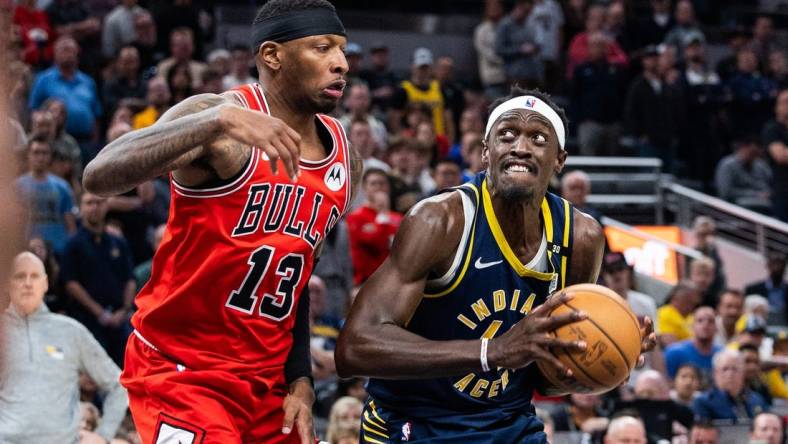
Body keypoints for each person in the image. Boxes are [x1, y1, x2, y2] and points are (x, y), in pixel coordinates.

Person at [82, 1, 359, 442]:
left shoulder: (345, 156)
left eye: (342, 51)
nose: (341, 63)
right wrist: (217, 120)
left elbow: (296, 277)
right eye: (322, 48)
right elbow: (99, 175)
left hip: (266, 381)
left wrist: (301, 381)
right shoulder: (218, 115)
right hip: (184, 371)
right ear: (273, 56)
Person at [336, 88, 656, 442]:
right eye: (507, 135)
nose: (520, 147)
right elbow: (355, 347)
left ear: (560, 159)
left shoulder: (580, 237)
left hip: (508, 424)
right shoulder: (440, 221)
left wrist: (604, 355)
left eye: (537, 138)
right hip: (414, 422)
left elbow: (544, 380)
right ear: (486, 151)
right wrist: (493, 351)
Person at [0, 252, 128, 443]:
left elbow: (118, 385)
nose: (27, 283)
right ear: (8, 284)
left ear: (45, 284)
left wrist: (103, 436)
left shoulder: (71, 332)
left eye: (34, 276)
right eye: (20, 276)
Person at [62, 192, 137, 366]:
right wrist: (99, 312)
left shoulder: (118, 242)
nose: (94, 207)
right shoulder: (73, 244)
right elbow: (71, 283)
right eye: (89, 203)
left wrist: (124, 309)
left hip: (119, 319)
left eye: (99, 202)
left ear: (107, 206)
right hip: (88, 320)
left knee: (129, 364)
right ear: (80, 208)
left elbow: (130, 278)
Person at [28, 36, 102, 146]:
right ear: (55, 53)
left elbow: (96, 115)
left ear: (77, 53)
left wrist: (95, 142)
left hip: (86, 141)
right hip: (55, 141)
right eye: (63, 50)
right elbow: (34, 110)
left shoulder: (88, 81)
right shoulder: (43, 79)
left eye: (71, 50)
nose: (68, 54)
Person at [15, 134, 77, 255]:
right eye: (36, 152)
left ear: (50, 156)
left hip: (58, 251)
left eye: (45, 153)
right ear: (28, 155)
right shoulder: (17, 187)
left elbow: (71, 225)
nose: (41, 157)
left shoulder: (62, 187)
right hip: (27, 250)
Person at [346, 169, 402, 286]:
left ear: (388, 187)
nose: (378, 187)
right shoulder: (356, 218)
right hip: (367, 282)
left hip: (395, 281)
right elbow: (377, 244)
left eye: (382, 183)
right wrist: (382, 214)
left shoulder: (398, 218)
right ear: (365, 188)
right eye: (373, 183)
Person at [692, 349, 768, 423]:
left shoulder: (757, 400)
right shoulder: (703, 402)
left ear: (743, 372)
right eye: (725, 369)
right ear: (715, 373)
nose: (730, 374)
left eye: (735, 369)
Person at [714, 138, 772, 212]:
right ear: (742, 148)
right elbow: (725, 192)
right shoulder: (727, 165)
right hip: (736, 205)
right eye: (752, 153)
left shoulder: (760, 165)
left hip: (766, 203)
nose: (753, 157)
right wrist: (756, 194)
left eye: (756, 154)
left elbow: (771, 183)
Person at [495, 0, 543, 88]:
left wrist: (535, 47)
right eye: (524, 11)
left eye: (528, 12)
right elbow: (499, 49)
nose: (526, 15)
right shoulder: (505, 25)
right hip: (515, 75)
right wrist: (520, 50)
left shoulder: (528, 24)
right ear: (518, 7)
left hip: (531, 73)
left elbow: (535, 44)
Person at [664, 306, 721, 379]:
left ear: (717, 327)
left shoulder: (722, 355)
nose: (705, 325)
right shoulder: (674, 352)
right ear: (692, 326)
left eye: (711, 321)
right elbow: (666, 382)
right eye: (700, 321)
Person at [761, 89, 788, 221]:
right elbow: (781, 156)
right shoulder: (772, 129)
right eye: (785, 102)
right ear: (777, 107)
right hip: (783, 189)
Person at [474, 0, 506, 100]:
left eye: (496, 6)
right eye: (491, 7)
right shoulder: (481, 30)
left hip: (511, 79)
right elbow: (486, 53)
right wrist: (508, 60)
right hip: (492, 78)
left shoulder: (508, 27)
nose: (493, 9)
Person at [745, 252, 788, 325]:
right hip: (758, 329)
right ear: (767, 265)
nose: (777, 267)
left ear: (785, 267)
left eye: (780, 264)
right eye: (774, 263)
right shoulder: (753, 290)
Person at [657, 280, 701, 346]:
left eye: (694, 302)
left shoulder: (691, 316)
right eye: (688, 300)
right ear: (675, 298)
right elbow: (670, 345)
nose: (691, 306)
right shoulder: (664, 314)